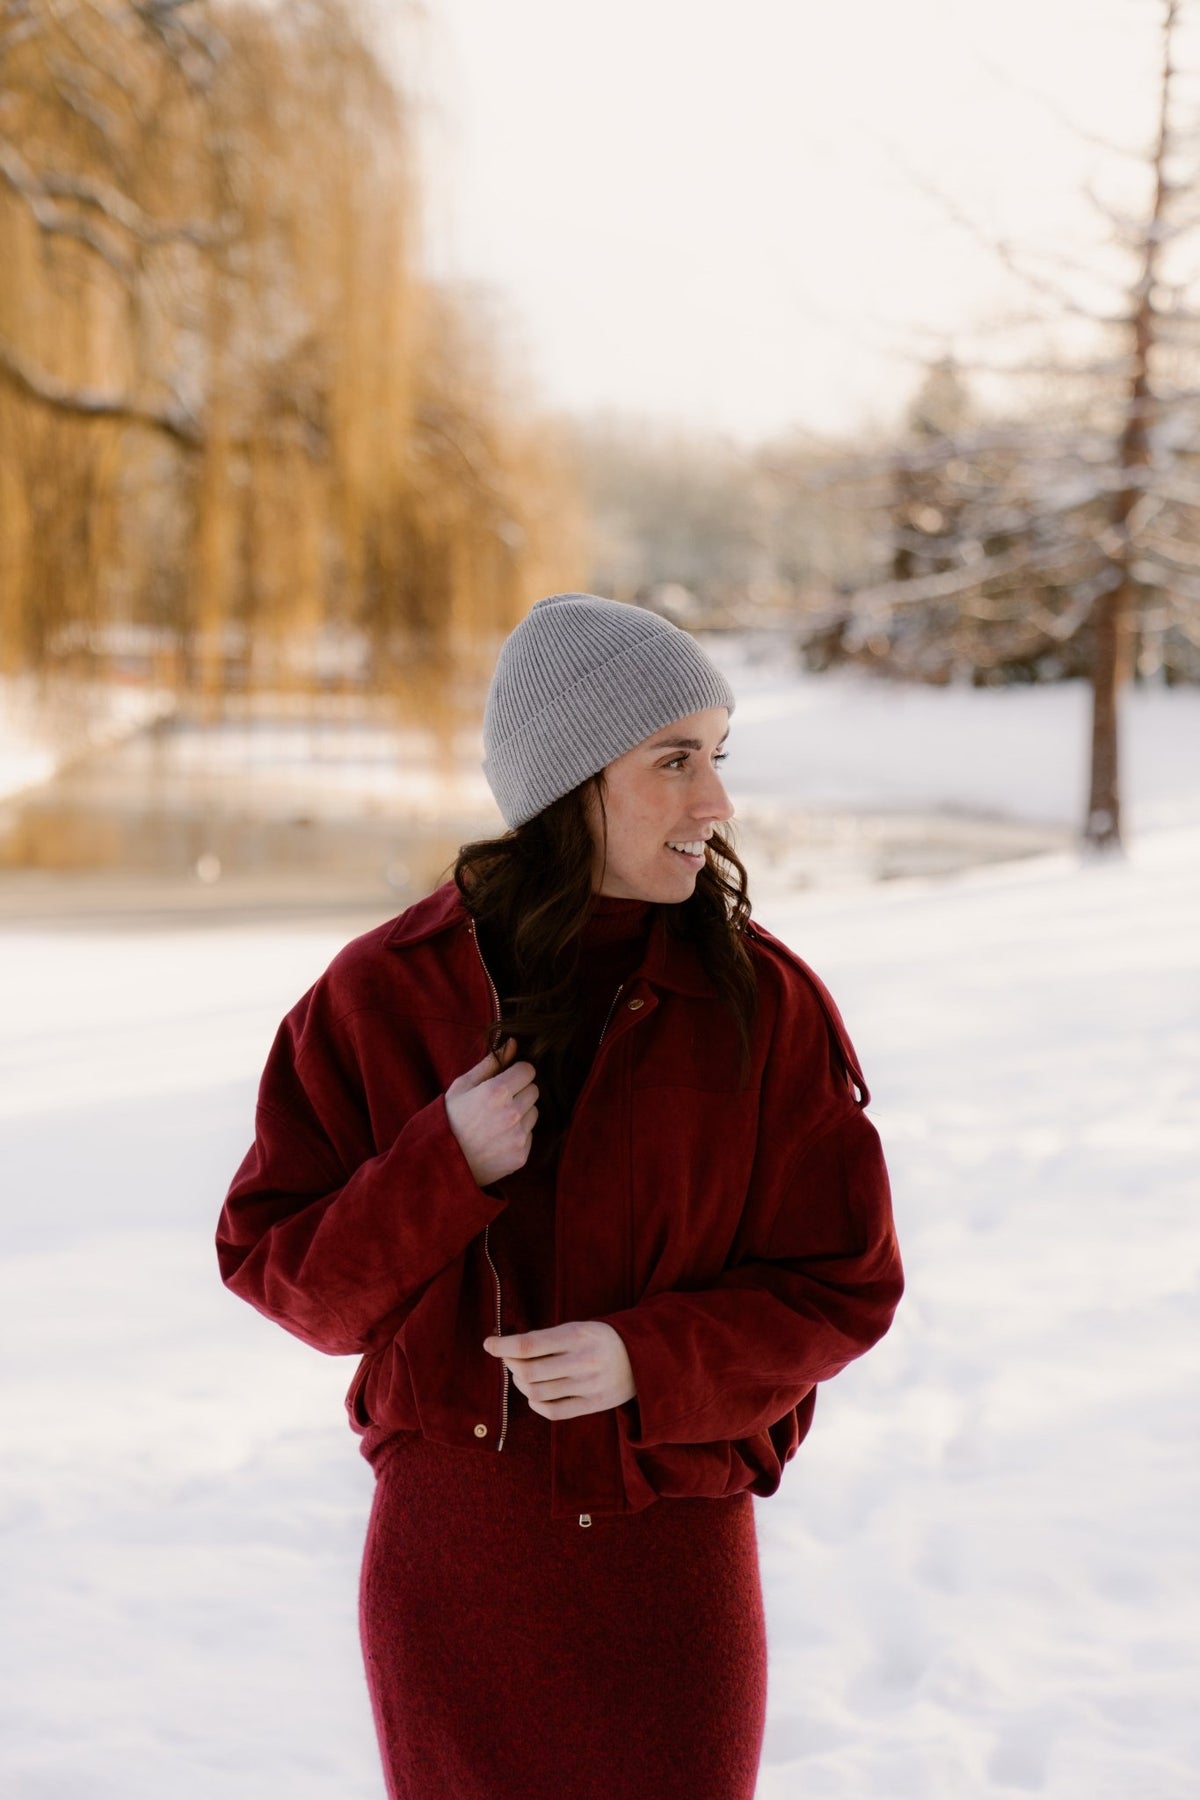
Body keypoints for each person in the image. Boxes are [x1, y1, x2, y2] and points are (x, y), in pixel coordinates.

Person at [216, 592, 904, 1800]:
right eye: (675, 761)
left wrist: (653, 1359)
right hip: (458, 1565)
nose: (718, 803)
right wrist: (441, 1167)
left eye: (717, 757)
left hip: (670, 1559)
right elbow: (293, 1281)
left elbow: (844, 1287)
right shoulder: (381, 997)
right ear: (572, 779)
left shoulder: (767, 1008)